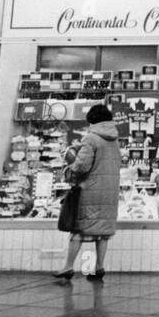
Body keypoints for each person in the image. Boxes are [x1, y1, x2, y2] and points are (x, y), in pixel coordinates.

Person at [54, 104, 121, 281]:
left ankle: (68, 267)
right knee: (103, 232)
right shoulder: (114, 140)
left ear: (91, 120)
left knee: (78, 230)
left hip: (90, 190)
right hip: (109, 192)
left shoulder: (91, 139)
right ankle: (99, 267)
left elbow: (82, 166)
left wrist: (69, 169)